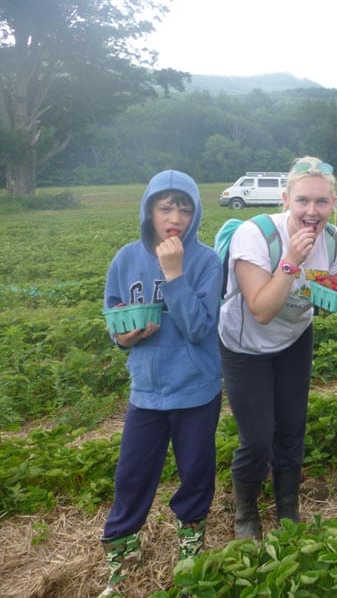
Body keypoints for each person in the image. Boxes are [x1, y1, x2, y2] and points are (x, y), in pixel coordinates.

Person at [100, 170, 222, 597]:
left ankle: (191, 544)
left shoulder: (206, 261)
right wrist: (123, 337)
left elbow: (199, 328)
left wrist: (174, 273)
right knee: (132, 474)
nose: (175, 218)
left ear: (195, 214)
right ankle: (121, 552)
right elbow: (114, 313)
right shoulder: (125, 259)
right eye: (166, 207)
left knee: (195, 471)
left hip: (196, 389)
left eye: (185, 209)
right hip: (147, 392)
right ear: (149, 210)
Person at [219, 156, 337, 539]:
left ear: (333, 203)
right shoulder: (256, 235)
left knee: (293, 427)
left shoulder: (336, 241)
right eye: (303, 201)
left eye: (322, 202)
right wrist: (292, 260)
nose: (312, 211)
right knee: (258, 438)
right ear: (285, 200)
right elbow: (261, 311)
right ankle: (245, 512)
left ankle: (288, 506)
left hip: (294, 338)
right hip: (245, 345)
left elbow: (334, 292)